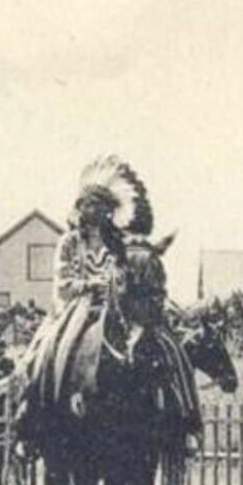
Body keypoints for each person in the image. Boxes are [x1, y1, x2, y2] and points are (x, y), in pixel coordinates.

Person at [12, 155, 200, 460]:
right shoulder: (69, 242)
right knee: (40, 350)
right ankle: (27, 425)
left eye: (101, 207)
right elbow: (63, 283)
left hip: (118, 307)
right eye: (89, 206)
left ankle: (185, 423)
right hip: (74, 306)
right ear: (80, 209)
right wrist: (93, 286)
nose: (95, 212)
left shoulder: (120, 245)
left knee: (169, 345)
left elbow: (131, 272)